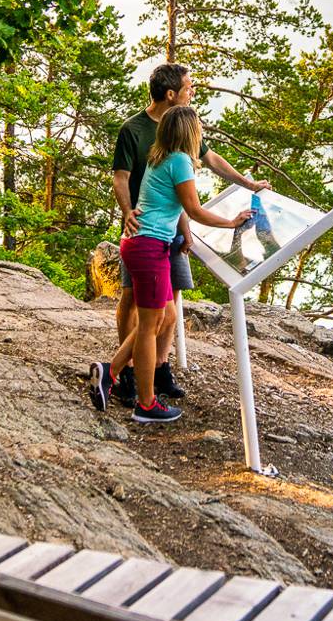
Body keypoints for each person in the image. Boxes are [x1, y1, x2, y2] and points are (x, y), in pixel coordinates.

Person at [105, 63, 263, 404]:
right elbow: (121, 176)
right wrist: (126, 210)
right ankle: (126, 374)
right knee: (137, 304)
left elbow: (210, 160)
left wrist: (248, 183)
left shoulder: (177, 134)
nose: (193, 93)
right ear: (170, 94)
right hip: (144, 230)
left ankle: (155, 366)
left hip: (167, 232)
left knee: (168, 310)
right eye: (189, 88)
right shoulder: (137, 130)